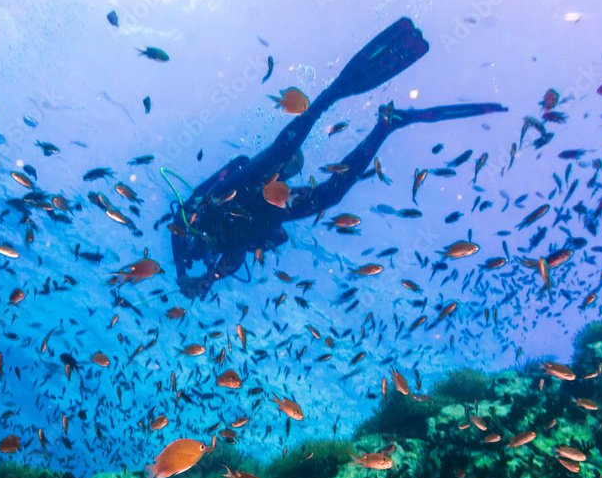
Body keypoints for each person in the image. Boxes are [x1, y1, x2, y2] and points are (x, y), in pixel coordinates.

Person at [170, 17, 507, 299]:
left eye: (196, 259)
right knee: (330, 196)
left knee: (280, 152)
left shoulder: (184, 233)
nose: (200, 256)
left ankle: (329, 96)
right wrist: (209, 279)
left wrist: (180, 270)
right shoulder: (220, 256)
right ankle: (387, 125)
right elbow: (237, 254)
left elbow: (178, 227)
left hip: (242, 189)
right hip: (268, 213)